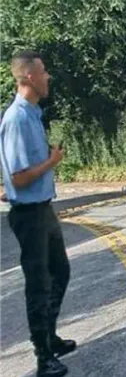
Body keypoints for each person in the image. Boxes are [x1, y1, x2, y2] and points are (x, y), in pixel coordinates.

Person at [1, 50, 74, 377]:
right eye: (43, 72)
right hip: (30, 215)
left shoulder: (33, 114)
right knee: (39, 285)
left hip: (43, 209)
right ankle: (43, 358)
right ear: (29, 76)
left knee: (60, 272)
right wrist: (51, 162)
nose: (48, 77)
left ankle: (50, 337)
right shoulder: (17, 118)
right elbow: (18, 176)